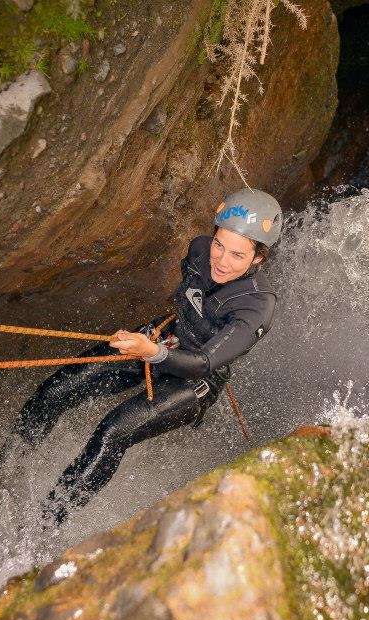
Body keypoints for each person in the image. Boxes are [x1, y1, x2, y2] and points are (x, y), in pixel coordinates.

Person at [14, 189, 281, 523]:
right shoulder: (199, 250)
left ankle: (45, 524)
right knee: (56, 391)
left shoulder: (256, 306)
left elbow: (202, 363)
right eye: (219, 245)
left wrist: (151, 353)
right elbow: (190, 291)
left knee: (112, 432)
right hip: (164, 337)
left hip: (195, 379)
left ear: (258, 258)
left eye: (238, 255)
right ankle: (8, 467)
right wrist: (155, 344)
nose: (222, 261)